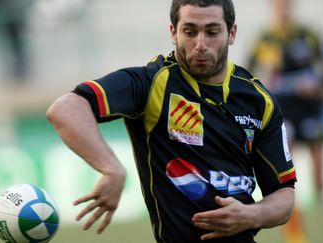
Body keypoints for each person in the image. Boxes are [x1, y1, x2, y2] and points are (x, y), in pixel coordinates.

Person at [47, 0, 297, 242]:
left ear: (231, 33)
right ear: (173, 32)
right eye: (189, 31)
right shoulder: (151, 83)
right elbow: (66, 109)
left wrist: (251, 215)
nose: (200, 44)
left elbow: (284, 196)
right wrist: (112, 169)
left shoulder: (258, 100)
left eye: (212, 32)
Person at [247, 0, 323, 242]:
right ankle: (294, 224)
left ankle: (322, 198)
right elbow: (248, 73)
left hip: (309, 109)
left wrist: (317, 83)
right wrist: (266, 81)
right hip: (282, 111)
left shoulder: (310, 35)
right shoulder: (264, 39)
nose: (282, 10)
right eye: (278, 6)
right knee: (288, 169)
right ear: (272, 8)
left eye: (285, 5)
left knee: (318, 162)